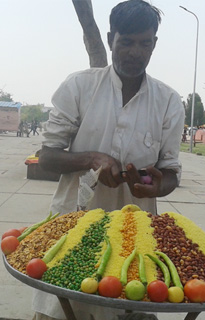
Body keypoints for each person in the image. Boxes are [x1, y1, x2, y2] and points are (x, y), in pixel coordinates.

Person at [36, 1, 184, 319]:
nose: (135, 52)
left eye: (145, 43)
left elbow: (170, 171)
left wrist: (157, 186)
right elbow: (46, 157)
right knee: (63, 308)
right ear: (110, 39)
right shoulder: (79, 87)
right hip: (72, 227)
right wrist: (93, 159)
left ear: (154, 44)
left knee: (125, 310)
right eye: (126, 42)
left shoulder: (169, 101)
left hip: (135, 238)